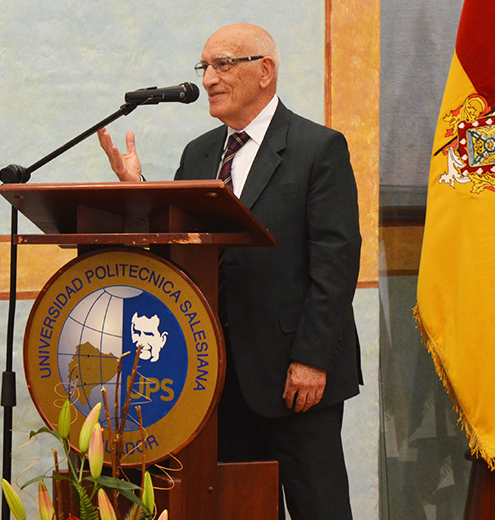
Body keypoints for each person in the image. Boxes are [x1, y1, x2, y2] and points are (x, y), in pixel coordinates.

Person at [97, 23, 361, 520]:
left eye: (222, 64)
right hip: (214, 375)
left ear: (265, 71)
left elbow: (337, 261)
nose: (210, 79)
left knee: (318, 509)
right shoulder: (199, 153)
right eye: (205, 67)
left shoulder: (317, 148)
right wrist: (138, 192)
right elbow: (178, 249)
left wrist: (312, 358)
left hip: (294, 375)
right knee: (238, 508)